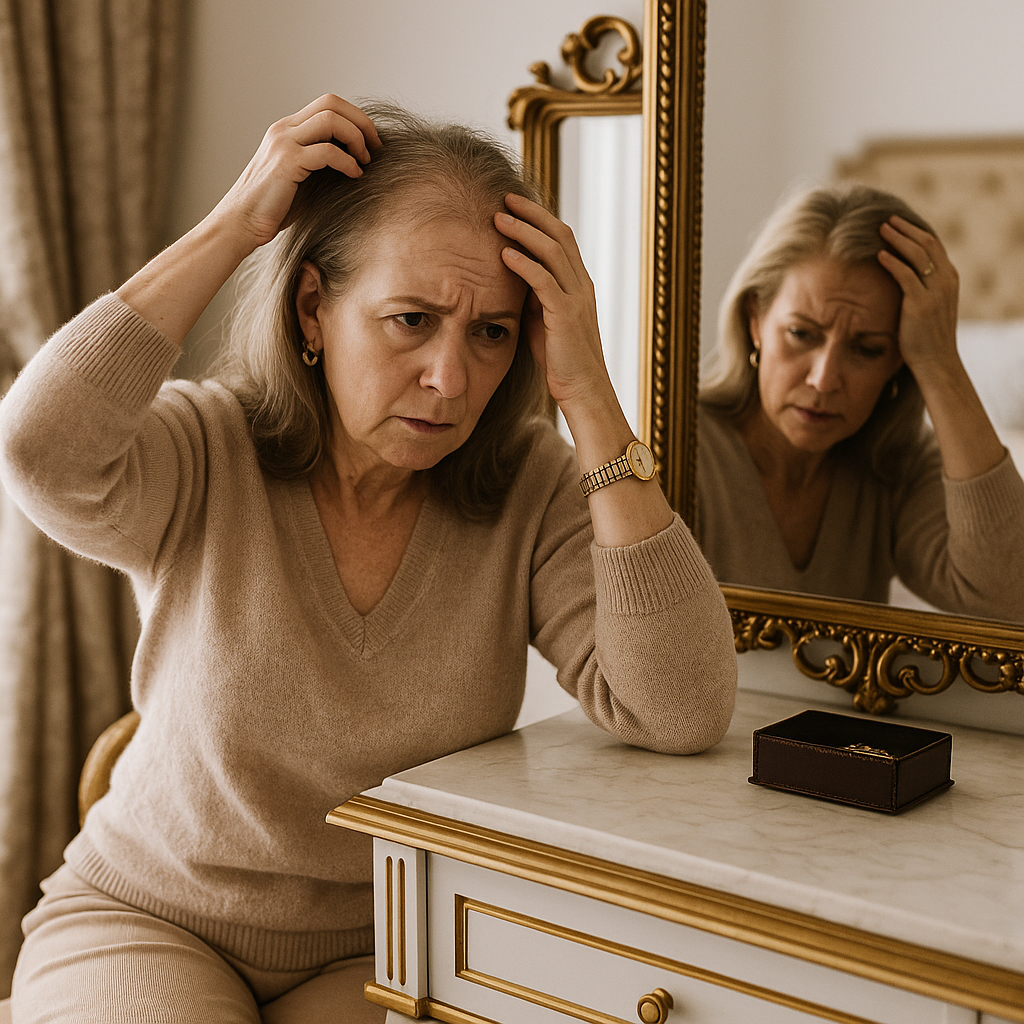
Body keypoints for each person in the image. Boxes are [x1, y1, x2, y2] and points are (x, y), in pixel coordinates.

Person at [0, 95, 736, 1022]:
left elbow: (679, 706)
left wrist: (588, 391)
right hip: (147, 916)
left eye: (492, 332)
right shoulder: (207, 445)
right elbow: (41, 450)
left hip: (388, 936)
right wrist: (238, 226)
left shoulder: (527, 488)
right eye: (410, 320)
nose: (450, 379)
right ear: (315, 307)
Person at [698, 183, 1024, 620]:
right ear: (755, 318)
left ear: (897, 360)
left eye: (867, 348)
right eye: (802, 334)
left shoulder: (899, 464)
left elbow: (1007, 600)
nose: (824, 379)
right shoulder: (680, 446)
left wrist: (940, 361)